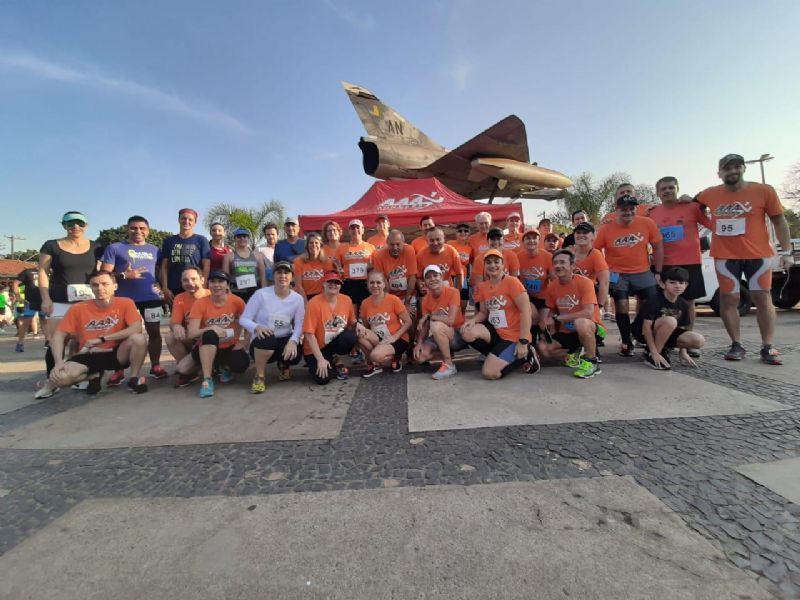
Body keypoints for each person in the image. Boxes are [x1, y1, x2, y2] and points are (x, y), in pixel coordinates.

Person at [695, 153, 794, 364]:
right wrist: (702, 216)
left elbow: (779, 221)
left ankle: (767, 346)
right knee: (729, 299)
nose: (732, 171)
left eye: (736, 167)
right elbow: (694, 204)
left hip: (757, 255)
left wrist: (787, 253)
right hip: (725, 256)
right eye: (727, 168)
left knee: (762, 297)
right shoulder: (710, 193)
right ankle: (736, 344)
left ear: (743, 169)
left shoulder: (763, 191)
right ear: (719, 173)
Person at [48, 270, 148, 395]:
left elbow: (136, 328)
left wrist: (102, 339)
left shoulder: (126, 302)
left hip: (116, 353)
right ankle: (92, 375)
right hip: (89, 353)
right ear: (90, 288)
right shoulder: (78, 308)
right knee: (61, 379)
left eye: (105, 284)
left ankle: (133, 378)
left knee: (139, 338)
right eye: (95, 285)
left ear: (115, 286)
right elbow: (58, 335)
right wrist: (58, 362)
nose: (100, 288)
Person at [36, 210, 102, 399]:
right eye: (71, 223)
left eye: (80, 223)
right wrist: (45, 298)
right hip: (59, 300)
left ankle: (85, 377)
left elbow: (99, 273)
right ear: (64, 225)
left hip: (87, 301)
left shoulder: (96, 247)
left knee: (84, 342)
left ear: (86, 226)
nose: (75, 227)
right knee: (57, 340)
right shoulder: (51, 246)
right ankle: (53, 380)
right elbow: (42, 272)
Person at [100, 215, 167, 385]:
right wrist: (124, 275)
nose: (138, 231)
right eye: (134, 228)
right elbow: (104, 274)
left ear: (148, 231)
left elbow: (161, 270)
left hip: (151, 298)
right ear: (127, 229)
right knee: (121, 335)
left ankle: (156, 365)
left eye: (142, 228)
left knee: (154, 332)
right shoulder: (114, 248)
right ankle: (119, 370)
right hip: (123, 300)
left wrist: (161, 285)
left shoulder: (155, 250)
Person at [594, 195, 663, 356]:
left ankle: (636, 331)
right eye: (624, 209)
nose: (628, 212)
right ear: (617, 211)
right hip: (617, 274)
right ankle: (626, 341)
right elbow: (596, 251)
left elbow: (658, 246)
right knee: (622, 305)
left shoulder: (647, 223)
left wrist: (658, 271)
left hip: (643, 271)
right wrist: (602, 273)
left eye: (631, 208)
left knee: (653, 301)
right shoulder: (607, 229)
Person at [647, 176, 712, 339]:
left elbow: (714, 224)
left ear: (677, 189)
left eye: (671, 187)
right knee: (662, 303)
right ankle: (664, 338)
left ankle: (687, 336)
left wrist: (700, 202)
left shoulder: (692, 207)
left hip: (690, 263)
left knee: (688, 302)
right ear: (658, 193)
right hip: (663, 264)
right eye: (663, 189)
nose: (667, 191)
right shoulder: (652, 213)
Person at [460, 249, 536, 379]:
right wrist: (472, 320)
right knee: (467, 332)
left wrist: (523, 341)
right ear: (484, 266)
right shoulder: (483, 286)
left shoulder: (512, 282)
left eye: (496, 262)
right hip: (496, 332)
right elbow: (483, 312)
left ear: (503, 265)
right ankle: (496, 355)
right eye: (488, 262)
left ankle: (527, 355)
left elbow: (526, 311)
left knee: (490, 373)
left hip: (514, 336)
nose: (492, 265)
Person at [179, 270, 249, 398]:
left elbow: (248, 323)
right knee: (183, 369)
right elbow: (192, 333)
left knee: (242, 365)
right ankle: (207, 378)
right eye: (213, 282)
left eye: (221, 281)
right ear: (208, 284)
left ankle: (221, 367)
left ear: (227, 285)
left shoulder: (237, 301)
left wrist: (244, 342)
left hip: (229, 346)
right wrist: (211, 328)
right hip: (206, 345)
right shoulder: (200, 303)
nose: (217, 285)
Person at [537, 250, 605, 379]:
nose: (558, 265)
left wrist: (557, 319)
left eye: (562, 262)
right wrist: (546, 324)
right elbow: (550, 309)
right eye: (555, 263)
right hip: (567, 331)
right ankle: (576, 350)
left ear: (573, 266)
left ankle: (592, 361)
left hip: (592, 327)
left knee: (581, 322)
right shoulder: (552, 286)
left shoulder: (585, 282)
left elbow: (588, 312)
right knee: (543, 348)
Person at [240, 261, 305, 393]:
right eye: (279, 272)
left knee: (296, 353)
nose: (282, 276)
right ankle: (259, 375)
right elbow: (243, 319)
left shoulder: (297, 299)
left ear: (292, 276)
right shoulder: (261, 294)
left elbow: (299, 325)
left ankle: (284, 365)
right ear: (273, 276)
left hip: (283, 338)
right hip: (263, 339)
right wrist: (256, 326)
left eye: (286, 273)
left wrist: (294, 340)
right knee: (267, 339)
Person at [633, 267, 705, 370]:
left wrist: (683, 351)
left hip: (667, 333)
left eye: (681, 283)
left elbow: (681, 330)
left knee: (699, 340)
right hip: (643, 332)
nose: (677, 286)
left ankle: (661, 349)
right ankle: (653, 355)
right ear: (663, 284)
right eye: (672, 282)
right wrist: (654, 352)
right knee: (670, 321)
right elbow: (646, 329)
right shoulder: (654, 300)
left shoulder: (683, 304)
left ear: (686, 285)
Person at [302, 270, 357, 385]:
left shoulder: (346, 300)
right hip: (317, 347)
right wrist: (320, 359)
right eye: (329, 282)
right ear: (323, 283)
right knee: (322, 379)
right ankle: (328, 362)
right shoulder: (314, 303)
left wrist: (361, 327)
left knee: (350, 337)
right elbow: (308, 334)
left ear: (341, 285)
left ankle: (335, 357)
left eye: (336, 282)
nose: (333, 285)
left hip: (334, 342)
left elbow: (352, 322)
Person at [413, 265, 466, 379]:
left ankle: (449, 364)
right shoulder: (426, 299)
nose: (432, 279)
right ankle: (445, 351)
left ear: (442, 277)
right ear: (425, 282)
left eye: (435, 275)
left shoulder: (453, 292)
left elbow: (450, 321)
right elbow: (426, 326)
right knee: (420, 357)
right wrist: (419, 343)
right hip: (440, 335)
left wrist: (430, 316)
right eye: (428, 277)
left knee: (436, 325)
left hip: (457, 334)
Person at [356, 271, 412, 377]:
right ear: (367, 284)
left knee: (376, 355)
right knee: (361, 336)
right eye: (372, 283)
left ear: (384, 284)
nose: (375, 286)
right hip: (378, 338)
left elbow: (408, 322)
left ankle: (394, 357)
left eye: (378, 282)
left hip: (397, 338)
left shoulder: (393, 299)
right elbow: (366, 327)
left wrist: (394, 337)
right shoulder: (365, 303)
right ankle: (375, 365)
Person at [165, 266, 210, 387]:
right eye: (185, 280)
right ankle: (190, 371)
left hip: (210, 339)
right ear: (181, 282)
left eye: (194, 279)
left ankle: (215, 366)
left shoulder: (211, 295)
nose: (190, 283)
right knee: (170, 336)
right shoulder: (180, 298)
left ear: (202, 280)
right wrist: (176, 326)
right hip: (192, 338)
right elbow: (174, 321)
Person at [160, 208, 211, 303]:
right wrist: (165, 288)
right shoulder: (169, 241)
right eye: (183, 218)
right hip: (174, 288)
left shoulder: (201, 240)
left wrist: (203, 287)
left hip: (195, 287)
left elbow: (206, 266)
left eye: (190, 219)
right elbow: (164, 267)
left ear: (195, 222)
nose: (186, 221)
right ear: (179, 220)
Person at [567, 222, 610, 312]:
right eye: (578, 232)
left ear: (593, 236)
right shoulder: (567, 252)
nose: (581, 235)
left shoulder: (596, 255)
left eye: (585, 232)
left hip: (588, 297)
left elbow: (604, 282)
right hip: (567, 295)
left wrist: (599, 306)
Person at [336, 219, 376, 312]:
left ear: (363, 230)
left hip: (366, 284)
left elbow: (375, 266)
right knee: (352, 315)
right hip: (349, 284)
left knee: (366, 313)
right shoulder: (341, 248)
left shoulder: (371, 247)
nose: (355, 230)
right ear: (349, 231)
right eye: (352, 228)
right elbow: (338, 266)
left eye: (358, 227)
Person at [516, 229, 552, 331]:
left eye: (534, 238)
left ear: (539, 240)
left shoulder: (548, 257)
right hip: (526, 297)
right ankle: (530, 339)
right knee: (532, 317)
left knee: (544, 324)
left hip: (543, 297)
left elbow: (554, 279)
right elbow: (514, 280)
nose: (531, 241)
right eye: (528, 238)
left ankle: (540, 338)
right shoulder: (518, 257)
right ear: (523, 242)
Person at [371, 230, 418, 303]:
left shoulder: (409, 250)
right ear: (387, 243)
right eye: (392, 245)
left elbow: (412, 278)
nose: (395, 248)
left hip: (408, 294)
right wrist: (391, 302)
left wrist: (407, 301)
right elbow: (383, 281)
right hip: (389, 295)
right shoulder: (379, 255)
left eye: (398, 244)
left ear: (403, 243)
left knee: (411, 312)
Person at [223, 228, 265, 303]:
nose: (242, 239)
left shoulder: (258, 255)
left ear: (248, 238)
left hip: (254, 291)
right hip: (236, 291)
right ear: (235, 239)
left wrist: (263, 290)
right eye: (239, 237)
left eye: (244, 236)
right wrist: (227, 290)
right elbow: (225, 276)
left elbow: (262, 275)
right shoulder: (228, 256)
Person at [10, 267, 45, 353]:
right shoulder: (28, 271)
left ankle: (48, 342)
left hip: (45, 301)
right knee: (26, 322)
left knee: (46, 322)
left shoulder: (50, 271)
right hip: (31, 301)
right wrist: (18, 297)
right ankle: (20, 343)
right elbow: (15, 283)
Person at [294, 232, 335, 302]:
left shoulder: (327, 262)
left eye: (316, 243)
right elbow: (298, 286)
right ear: (307, 246)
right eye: (311, 243)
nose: (314, 245)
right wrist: (305, 302)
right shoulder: (299, 261)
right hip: (304, 296)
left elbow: (328, 284)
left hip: (322, 296)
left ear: (321, 246)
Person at [449, 223, 474, 311]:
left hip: (463, 278)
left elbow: (471, 263)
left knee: (464, 300)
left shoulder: (470, 248)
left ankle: (461, 319)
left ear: (469, 233)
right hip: (451, 276)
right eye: (460, 231)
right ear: (456, 233)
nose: (463, 232)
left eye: (465, 231)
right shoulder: (450, 244)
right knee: (451, 300)